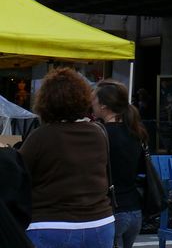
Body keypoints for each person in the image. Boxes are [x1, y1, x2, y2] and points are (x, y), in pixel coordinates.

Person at [19, 67, 115, 248]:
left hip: (52, 223)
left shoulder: (41, 136)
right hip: (100, 222)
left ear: (46, 101)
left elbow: (18, 173)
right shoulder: (98, 132)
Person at [93, 79, 146, 248]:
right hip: (135, 209)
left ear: (103, 105)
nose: (91, 103)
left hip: (113, 210)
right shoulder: (135, 132)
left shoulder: (101, 134)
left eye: (94, 99)